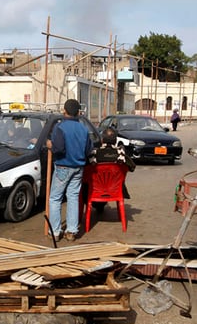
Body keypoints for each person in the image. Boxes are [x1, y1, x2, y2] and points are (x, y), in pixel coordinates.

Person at [46, 99, 92, 242]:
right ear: (78, 112)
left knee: (55, 198)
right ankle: (71, 231)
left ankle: (55, 231)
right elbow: (88, 150)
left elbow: (59, 149)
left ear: (64, 111)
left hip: (63, 167)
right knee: (72, 197)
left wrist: (50, 145)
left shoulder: (60, 127)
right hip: (78, 167)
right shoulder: (84, 129)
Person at [88, 127, 135, 198]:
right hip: (116, 189)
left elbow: (86, 168)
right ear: (115, 141)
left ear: (102, 140)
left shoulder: (94, 153)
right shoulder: (120, 154)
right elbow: (132, 167)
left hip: (94, 189)